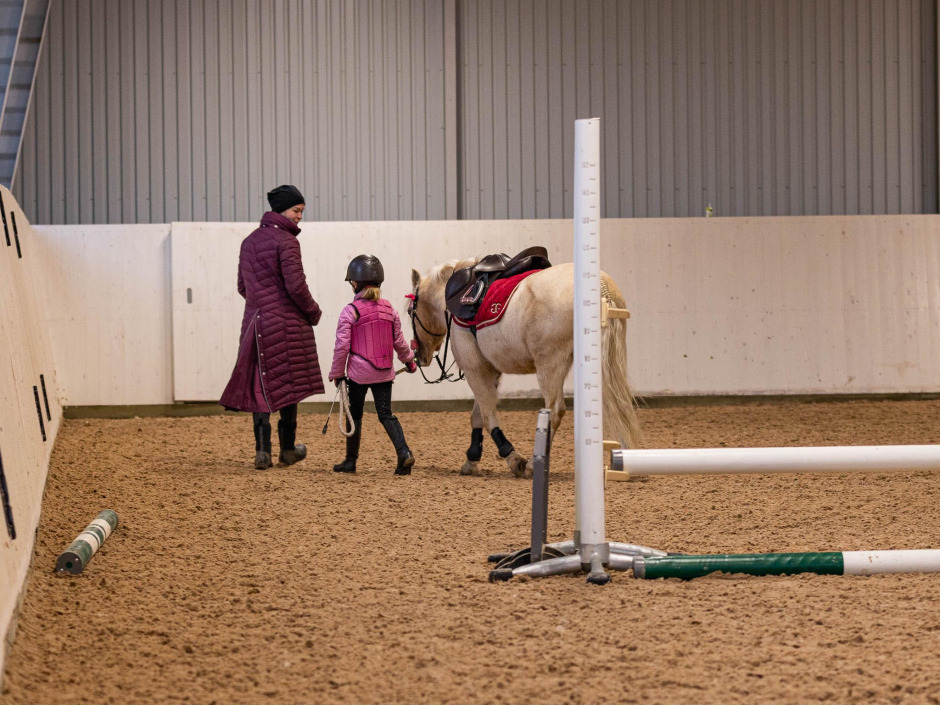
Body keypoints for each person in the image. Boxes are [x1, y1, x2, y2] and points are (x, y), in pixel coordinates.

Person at [220, 184, 325, 469]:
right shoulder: (287, 241)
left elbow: (243, 286)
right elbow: (295, 286)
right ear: (282, 210)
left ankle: (262, 452)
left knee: (259, 384)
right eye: (297, 210)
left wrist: (262, 303)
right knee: (288, 383)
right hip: (286, 323)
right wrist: (313, 312)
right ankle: (287, 450)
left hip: (254, 323)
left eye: (302, 211)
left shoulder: (248, 242)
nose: (300, 216)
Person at [328, 254, 418, 475]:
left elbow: (342, 347)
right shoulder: (390, 310)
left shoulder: (350, 311)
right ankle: (404, 453)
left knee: (355, 415)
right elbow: (399, 342)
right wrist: (409, 361)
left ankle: (350, 460)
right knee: (386, 414)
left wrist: (337, 373)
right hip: (384, 372)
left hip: (359, 374)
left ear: (355, 283)